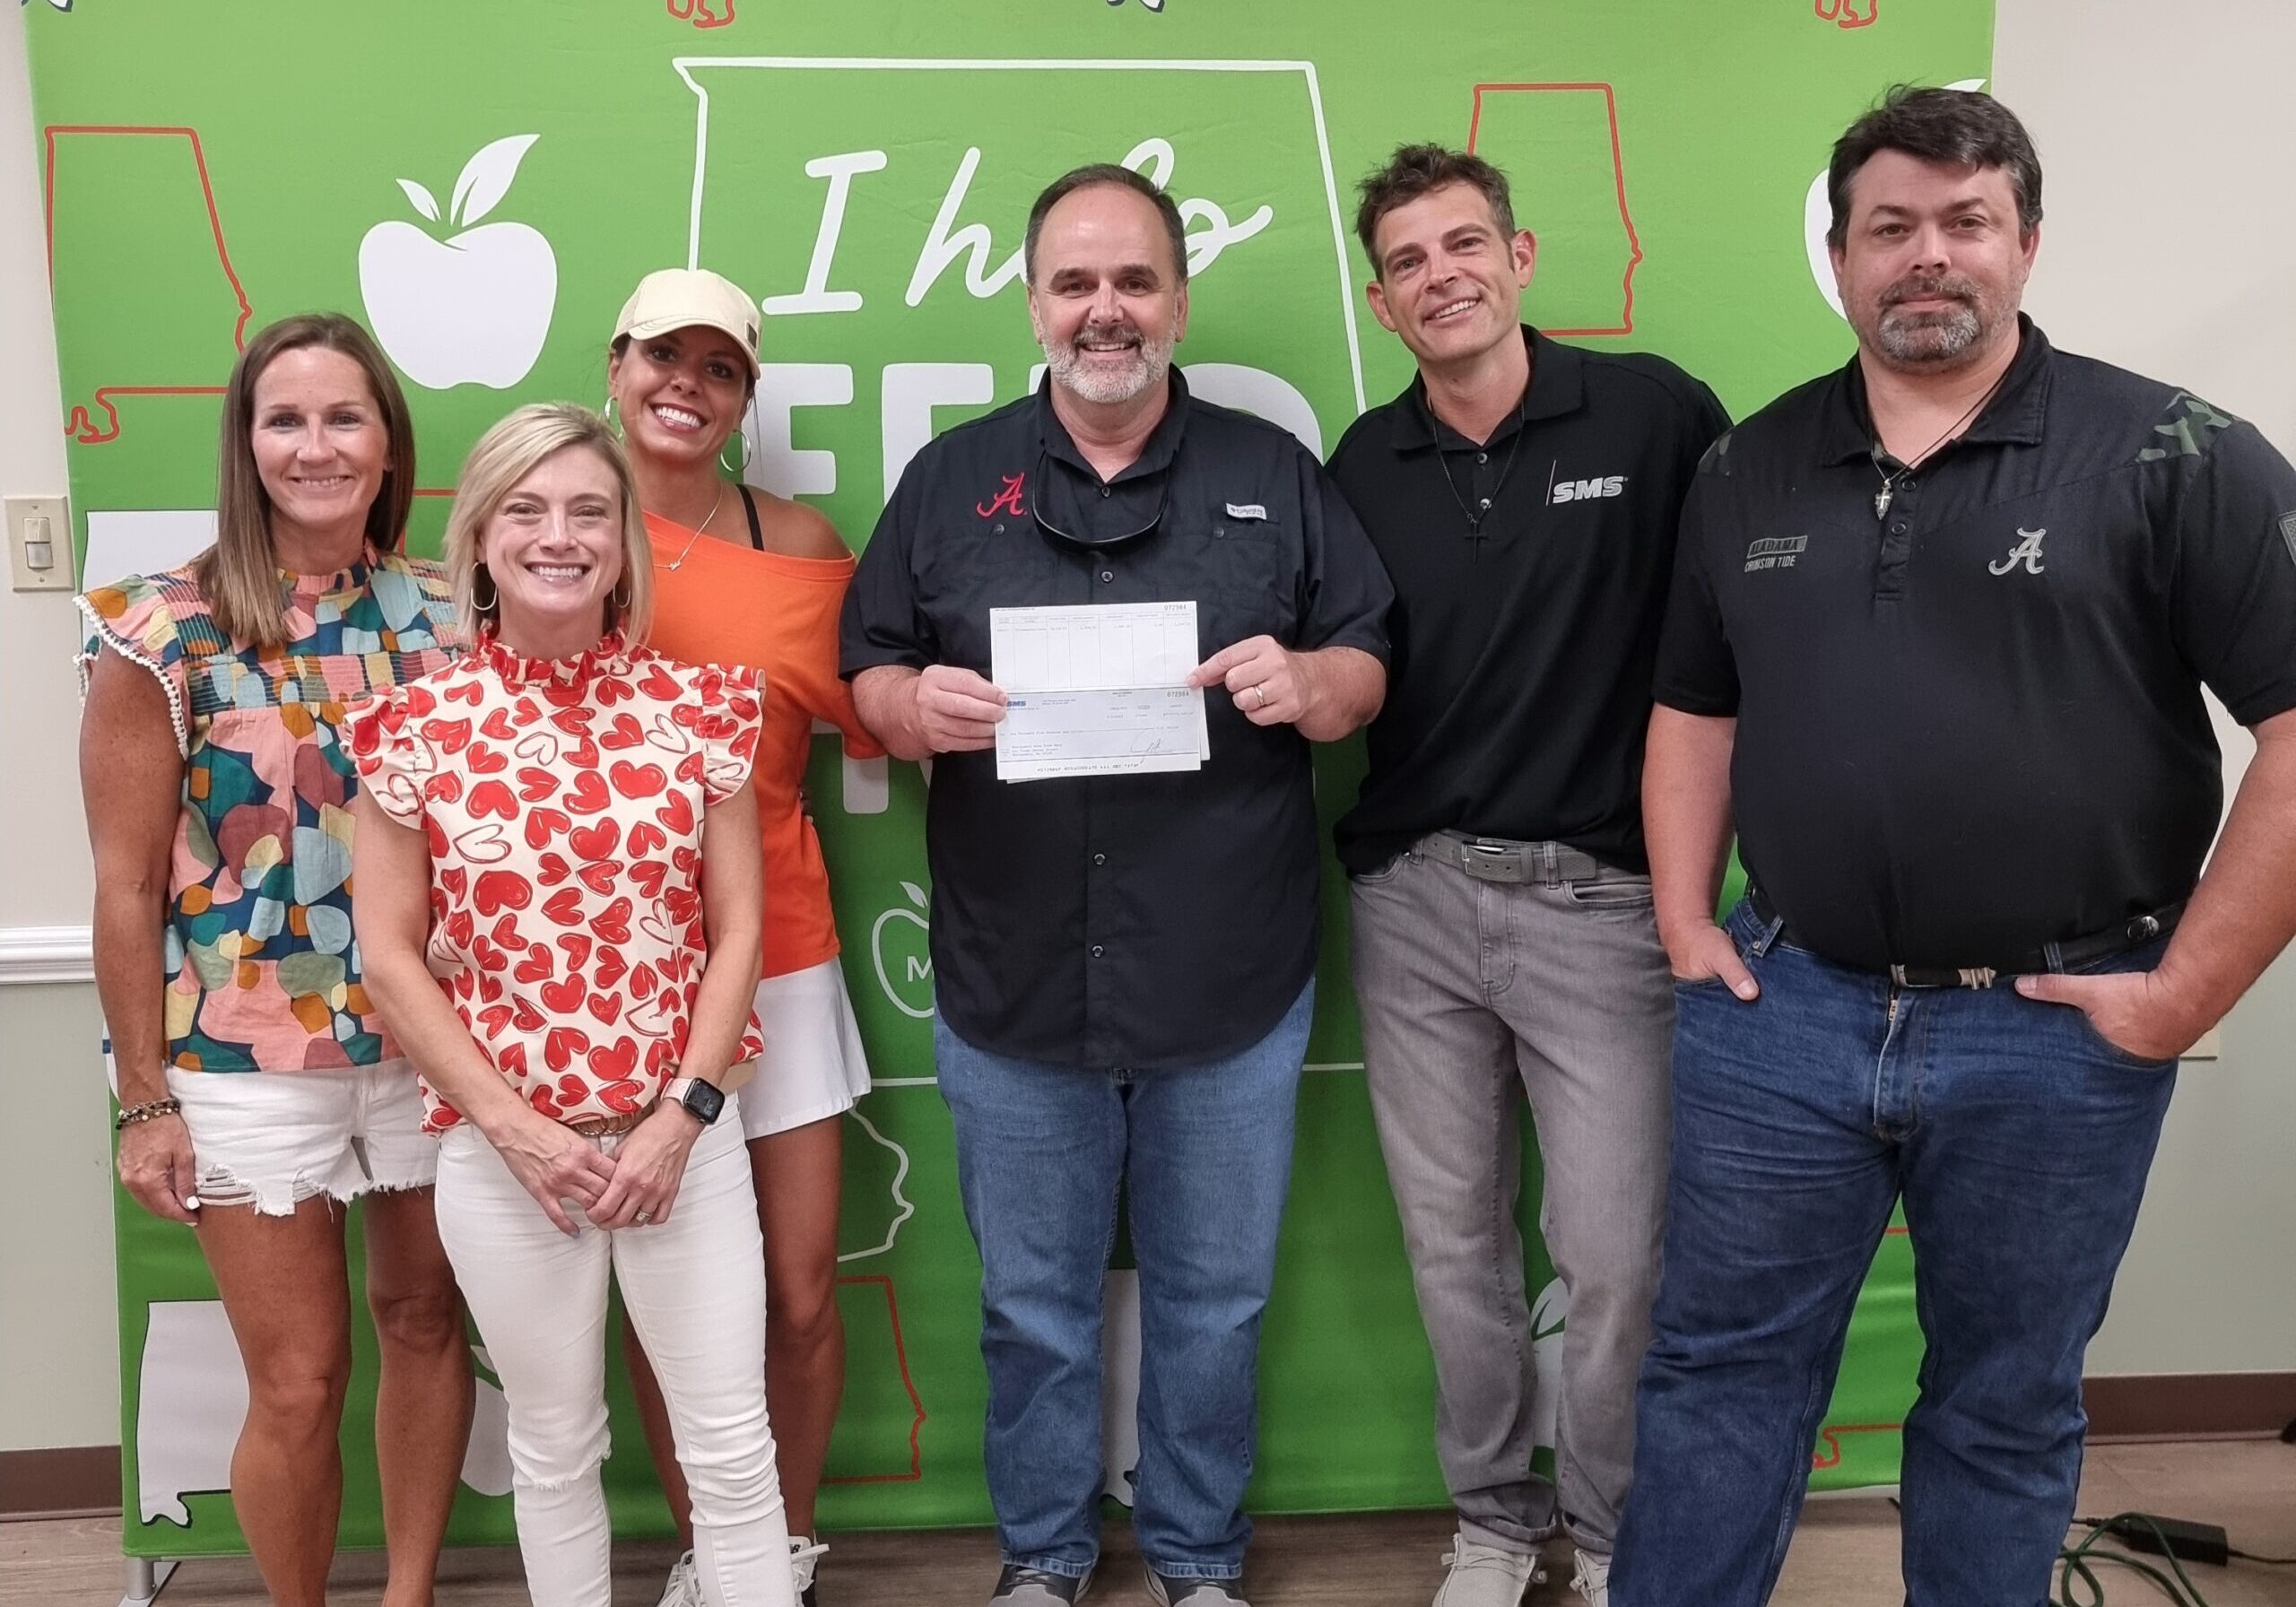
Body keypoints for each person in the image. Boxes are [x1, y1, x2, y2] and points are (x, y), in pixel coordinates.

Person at [1611, 87, 2296, 1606]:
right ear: (1843, 258)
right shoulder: (1751, 467)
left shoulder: (2179, 453)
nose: (1929, 258)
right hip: (1783, 1012)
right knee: (1716, 1379)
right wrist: (1683, 918)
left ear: (2027, 243)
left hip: (2060, 1027)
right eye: (1891, 228)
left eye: (1965, 222)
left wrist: (2186, 997)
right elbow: (1692, 707)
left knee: (2002, 1401)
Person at [841, 163, 1392, 1607]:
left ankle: (1201, 1560)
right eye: (1077, 282)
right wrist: (911, 711)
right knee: (1033, 1312)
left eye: (1135, 280)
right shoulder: (951, 483)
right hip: (1014, 976)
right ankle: (1041, 1557)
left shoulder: (1272, 475)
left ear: (1178, 300)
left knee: (1217, 1306)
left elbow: (1366, 668)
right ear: (1034, 302)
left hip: (1230, 976)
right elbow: (868, 675)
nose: (1106, 309)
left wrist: (1311, 680)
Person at [1326, 146, 1728, 1607]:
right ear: (1382, 299)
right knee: (1453, 1251)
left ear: (1523, 253)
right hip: (1414, 900)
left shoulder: (1655, 411)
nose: (1443, 276)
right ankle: (1498, 1520)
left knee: (1615, 1257)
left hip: (1606, 905)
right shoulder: (1364, 464)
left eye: (1464, 245)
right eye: (1412, 262)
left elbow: (1745, 631)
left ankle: (1618, 1535)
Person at [349, 403, 795, 1607]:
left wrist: (679, 1117)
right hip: (507, 1163)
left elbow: (739, 927)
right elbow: (388, 954)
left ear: (623, 538)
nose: (560, 535)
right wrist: (517, 1128)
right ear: (482, 538)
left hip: (682, 1146)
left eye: (589, 510)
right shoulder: (413, 729)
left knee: (729, 1452)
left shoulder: (702, 711)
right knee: (551, 1450)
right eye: (528, 511)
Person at [76, 314, 471, 1607]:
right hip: (246, 1059)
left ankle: (408, 1596)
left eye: (343, 417)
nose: (316, 446)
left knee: (424, 1327)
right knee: (298, 1381)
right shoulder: (162, 633)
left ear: (388, 441)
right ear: (245, 445)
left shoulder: (452, 622)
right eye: (285, 420)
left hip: (431, 1048)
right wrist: (144, 1101)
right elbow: (128, 890)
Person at [604, 267, 881, 1607]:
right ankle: (709, 1551)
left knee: (803, 1286)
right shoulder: (549, 527)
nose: (686, 385)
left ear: (744, 398)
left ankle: (788, 1541)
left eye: (718, 367)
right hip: (606, 982)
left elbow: (885, 712)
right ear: (617, 364)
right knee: (672, 1307)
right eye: (666, 356)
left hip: (785, 953)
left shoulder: (799, 542)